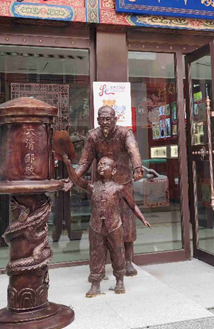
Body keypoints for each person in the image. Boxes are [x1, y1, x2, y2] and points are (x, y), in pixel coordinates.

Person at [63, 155, 151, 297]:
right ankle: (95, 284)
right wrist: (68, 166)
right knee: (96, 254)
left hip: (114, 225)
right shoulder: (93, 186)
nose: (101, 167)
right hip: (96, 226)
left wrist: (143, 218)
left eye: (105, 164)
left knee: (118, 252)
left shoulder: (119, 188)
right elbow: (77, 180)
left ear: (114, 170)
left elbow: (132, 205)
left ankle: (120, 281)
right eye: (100, 164)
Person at [75, 105, 144, 276]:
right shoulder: (93, 136)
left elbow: (133, 150)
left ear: (115, 119)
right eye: (102, 119)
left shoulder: (125, 133)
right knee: (102, 224)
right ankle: (102, 263)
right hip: (102, 186)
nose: (105, 122)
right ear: (98, 120)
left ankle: (128, 261)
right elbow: (85, 161)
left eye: (108, 119)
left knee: (127, 223)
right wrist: (73, 179)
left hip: (123, 183)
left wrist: (137, 168)